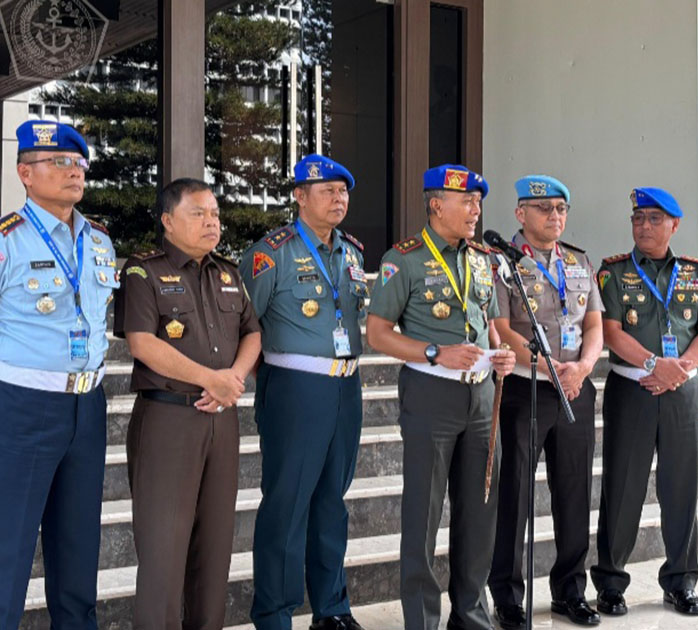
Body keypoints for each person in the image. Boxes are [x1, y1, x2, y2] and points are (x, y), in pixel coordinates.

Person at [0, 120, 117, 629]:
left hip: (86, 408)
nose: (73, 171)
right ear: (25, 173)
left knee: (78, 554)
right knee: (4, 555)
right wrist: (6, 376)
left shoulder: (98, 240)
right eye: (58, 162)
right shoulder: (0, 241)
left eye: (78, 163)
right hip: (21, 409)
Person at [366, 164, 516, 630]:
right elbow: (377, 333)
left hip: (481, 397)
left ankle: (470, 614)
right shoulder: (404, 259)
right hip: (431, 393)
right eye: (466, 201)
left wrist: (501, 353)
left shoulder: (483, 259)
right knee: (424, 514)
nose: (475, 210)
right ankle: (422, 620)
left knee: (480, 511)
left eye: (478, 202)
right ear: (436, 205)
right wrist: (434, 352)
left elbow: (489, 323)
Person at [114, 178, 262, 629]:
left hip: (221, 422)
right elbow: (142, 343)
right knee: (163, 554)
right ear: (168, 220)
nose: (211, 222)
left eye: (214, 214)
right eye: (198, 214)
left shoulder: (228, 273)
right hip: (168, 420)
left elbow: (253, 333)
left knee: (214, 551)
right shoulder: (143, 272)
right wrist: (210, 380)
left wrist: (233, 378)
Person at [239, 154, 369, 630]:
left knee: (332, 501)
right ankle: (275, 612)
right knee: (287, 504)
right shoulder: (271, 253)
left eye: (343, 191)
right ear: (299, 196)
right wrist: (271, 382)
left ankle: (331, 608)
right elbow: (245, 325)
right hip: (295, 387)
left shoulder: (351, 253)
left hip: (345, 387)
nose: (338, 199)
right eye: (327, 191)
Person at [590, 187, 698, 617]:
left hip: (682, 391)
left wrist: (680, 368)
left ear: (674, 225)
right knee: (622, 487)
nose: (643, 226)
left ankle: (681, 581)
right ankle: (611, 584)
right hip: (633, 388)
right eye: (638, 218)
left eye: (653, 219)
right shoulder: (614, 272)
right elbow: (610, 332)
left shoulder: (695, 274)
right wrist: (654, 363)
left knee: (682, 487)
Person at [487, 176, 603, 629]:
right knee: (513, 494)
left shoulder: (578, 260)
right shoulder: (501, 262)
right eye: (544, 208)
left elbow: (593, 324)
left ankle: (570, 590)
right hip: (525, 388)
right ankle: (507, 596)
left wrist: (583, 367)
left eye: (560, 208)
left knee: (574, 491)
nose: (554, 216)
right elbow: (501, 328)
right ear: (521, 214)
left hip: (574, 387)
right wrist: (548, 365)